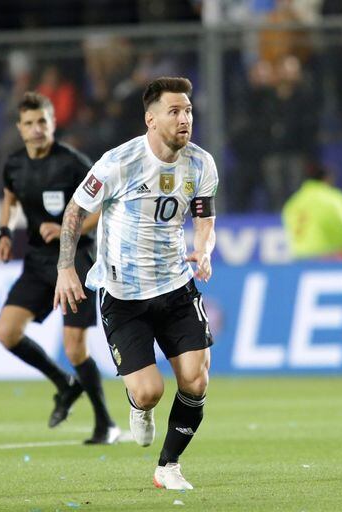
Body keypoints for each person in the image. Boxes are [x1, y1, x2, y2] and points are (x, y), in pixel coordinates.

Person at [54, 77, 217, 491]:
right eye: (175, 112)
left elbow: (204, 215)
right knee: (149, 392)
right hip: (123, 295)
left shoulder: (201, 164)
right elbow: (75, 211)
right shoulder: (119, 162)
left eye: (188, 111)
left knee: (196, 380)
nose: (185, 119)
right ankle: (137, 405)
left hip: (176, 286)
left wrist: (204, 248)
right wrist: (66, 268)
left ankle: (169, 466)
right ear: (151, 119)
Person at [0, 92, 119, 445]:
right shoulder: (14, 164)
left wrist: (71, 227)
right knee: (6, 332)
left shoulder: (73, 163)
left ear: (53, 123)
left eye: (43, 122)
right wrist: (4, 232)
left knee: (75, 347)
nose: (37, 129)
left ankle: (105, 423)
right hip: (37, 261)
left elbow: (105, 203)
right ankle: (64, 383)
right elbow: (9, 196)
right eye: (30, 123)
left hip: (76, 260)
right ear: (20, 128)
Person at [282, 161, 342, 260]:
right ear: (327, 178)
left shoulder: (292, 203)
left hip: (299, 260)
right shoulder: (333, 199)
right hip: (327, 259)